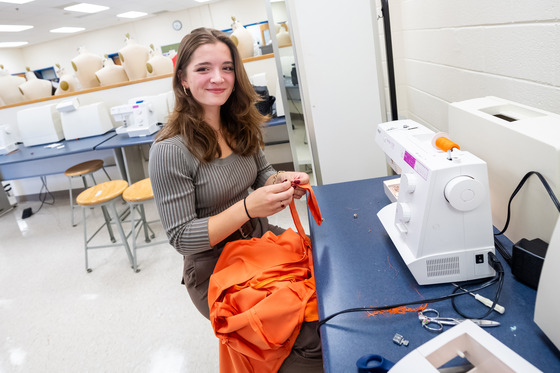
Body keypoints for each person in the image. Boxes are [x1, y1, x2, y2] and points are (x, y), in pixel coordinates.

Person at [149, 27, 323, 372]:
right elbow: (181, 237)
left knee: (328, 294)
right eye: (203, 69)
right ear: (182, 79)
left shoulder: (239, 122)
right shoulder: (169, 150)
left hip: (259, 240)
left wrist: (284, 181)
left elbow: (262, 175)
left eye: (227, 68)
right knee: (307, 337)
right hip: (214, 267)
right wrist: (246, 208)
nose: (218, 78)